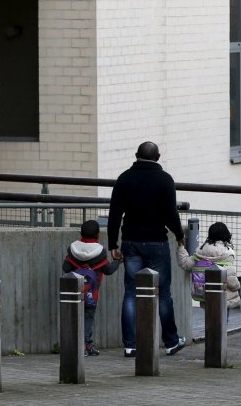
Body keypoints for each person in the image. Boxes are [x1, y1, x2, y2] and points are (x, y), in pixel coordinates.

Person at [108, 141, 187, 357]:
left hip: (131, 242)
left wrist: (112, 244)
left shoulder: (124, 178)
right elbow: (171, 214)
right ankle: (171, 342)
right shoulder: (164, 180)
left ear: (136, 155)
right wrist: (180, 236)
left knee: (131, 293)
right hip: (157, 243)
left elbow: (114, 214)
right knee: (163, 294)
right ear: (158, 157)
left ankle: (131, 345)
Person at [62, 219, 119, 357]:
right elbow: (108, 270)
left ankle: (75, 344)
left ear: (81, 232)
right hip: (91, 295)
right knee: (88, 319)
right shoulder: (100, 252)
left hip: (74, 294)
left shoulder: (73, 250)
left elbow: (66, 268)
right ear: (97, 235)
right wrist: (118, 261)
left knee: (75, 318)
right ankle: (86, 345)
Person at [177, 221, 241, 310]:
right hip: (225, 299)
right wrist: (238, 286)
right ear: (225, 235)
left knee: (210, 319)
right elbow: (232, 281)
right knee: (221, 320)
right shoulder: (227, 253)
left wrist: (181, 247)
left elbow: (185, 263)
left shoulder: (200, 253)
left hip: (205, 297)